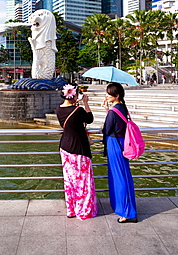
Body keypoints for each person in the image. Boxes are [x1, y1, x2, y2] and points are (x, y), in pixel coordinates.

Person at [56, 84, 97, 220]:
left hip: (65, 148)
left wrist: (76, 103)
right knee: (82, 181)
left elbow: (70, 113)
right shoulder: (78, 110)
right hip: (79, 148)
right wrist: (85, 103)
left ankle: (71, 210)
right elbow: (89, 119)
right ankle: (84, 210)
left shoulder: (58, 109)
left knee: (69, 181)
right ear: (73, 95)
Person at [102, 82, 137, 223]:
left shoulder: (113, 111)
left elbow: (107, 130)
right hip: (122, 144)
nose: (106, 96)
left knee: (119, 178)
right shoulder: (122, 108)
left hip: (114, 146)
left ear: (116, 96)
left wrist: (107, 113)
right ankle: (127, 209)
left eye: (108, 94)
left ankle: (127, 213)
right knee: (124, 175)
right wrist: (107, 110)